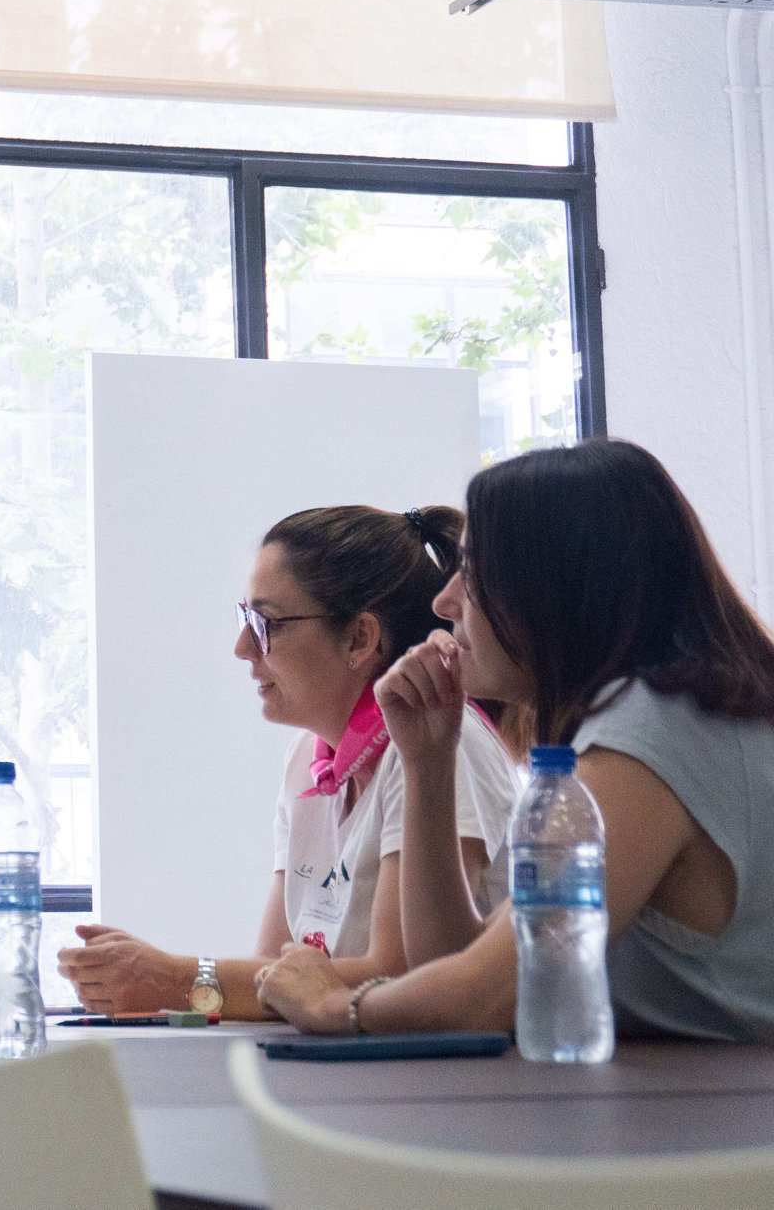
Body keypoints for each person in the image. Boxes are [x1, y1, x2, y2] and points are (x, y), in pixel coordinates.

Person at [258, 440, 774, 1042]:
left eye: (472, 577)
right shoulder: (641, 719)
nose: (444, 601)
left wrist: (336, 1006)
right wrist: (428, 764)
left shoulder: (656, 728)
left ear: (557, 589)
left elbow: (486, 1000)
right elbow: (464, 964)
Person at [57, 504, 520, 1019]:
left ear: (360, 638)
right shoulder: (308, 757)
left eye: (265, 622)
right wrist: (173, 982)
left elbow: (402, 970)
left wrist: (173, 979)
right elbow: (274, 969)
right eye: (245, 618)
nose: (242, 648)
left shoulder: (445, 743)